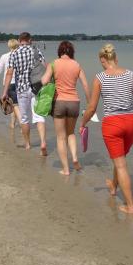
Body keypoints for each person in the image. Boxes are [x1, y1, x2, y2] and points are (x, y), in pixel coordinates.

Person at [80, 44, 133, 214]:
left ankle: (130, 206)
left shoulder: (100, 78)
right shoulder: (130, 74)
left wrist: (83, 123)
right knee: (120, 159)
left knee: (120, 165)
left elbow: (91, 108)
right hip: (131, 122)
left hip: (112, 124)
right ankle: (113, 185)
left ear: (102, 60)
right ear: (116, 59)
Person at [40, 41, 90, 175]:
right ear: (71, 52)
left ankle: (66, 169)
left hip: (59, 102)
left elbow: (44, 81)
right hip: (74, 102)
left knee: (61, 137)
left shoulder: (53, 63)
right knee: (71, 133)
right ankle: (74, 158)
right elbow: (85, 85)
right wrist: (90, 103)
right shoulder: (77, 65)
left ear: (59, 51)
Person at [1, 32, 47, 154]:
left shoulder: (14, 53)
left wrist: (5, 92)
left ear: (19, 40)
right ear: (30, 40)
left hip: (21, 89)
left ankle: (27, 144)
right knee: (39, 116)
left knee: (25, 118)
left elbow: (9, 73)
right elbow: (45, 67)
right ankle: (43, 142)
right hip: (36, 88)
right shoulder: (36, 50)